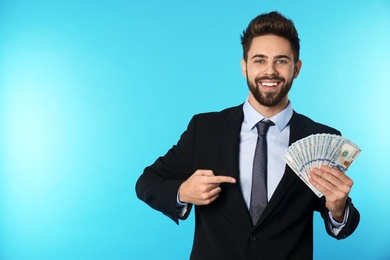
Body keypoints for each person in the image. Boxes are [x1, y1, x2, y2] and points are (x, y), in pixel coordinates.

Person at [135, 11, 360, 260]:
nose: (270, 71)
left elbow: (342, 225)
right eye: (259, 60)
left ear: (297, 68)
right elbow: (147, 182)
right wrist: (183, 192)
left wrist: (338, 208)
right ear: (244, 67)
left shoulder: (324, 138)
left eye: (281, 61)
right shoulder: (205, 129)